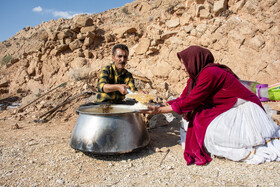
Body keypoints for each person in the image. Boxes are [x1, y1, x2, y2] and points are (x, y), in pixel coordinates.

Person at [142, 46, 280, 165]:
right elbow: (185, 97)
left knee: (209, 131)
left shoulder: (210, 73)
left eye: (184, 63)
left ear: (194, 60)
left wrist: (159, 110)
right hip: (227, 107)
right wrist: (162, 105)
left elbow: (192, 101)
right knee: (192, 119)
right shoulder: (195, 77)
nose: (182, 68)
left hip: (241, 109)